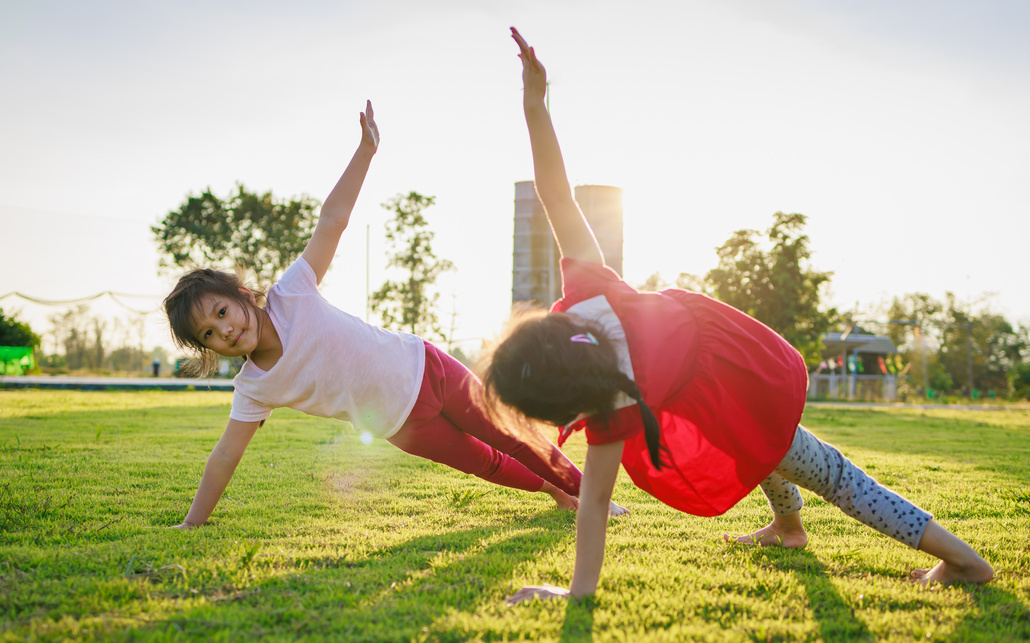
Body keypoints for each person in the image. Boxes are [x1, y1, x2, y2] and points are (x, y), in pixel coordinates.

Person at [484, 29, 993, 603]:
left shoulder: (608, 406)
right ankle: (790, 529)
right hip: (737, 368)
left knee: (832, 476)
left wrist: (575, 594)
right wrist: (534, 103)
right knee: (757, 445)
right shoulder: (587, 294)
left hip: (734, 392)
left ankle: (964, 561)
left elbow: (595, 505)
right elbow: (558, 196)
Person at [164, 101, 625, 529]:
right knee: (485, 462)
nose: (225, 329)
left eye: (222, 311)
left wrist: (365, 151)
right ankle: (558, 493)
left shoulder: (292, 294)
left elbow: (332, 221)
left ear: (243, 294)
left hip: (427, 369)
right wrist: (192, 522)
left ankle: (590, 495)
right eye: (210, 333)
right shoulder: (253, 387)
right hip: (401, 427)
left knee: (508, 433)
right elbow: (226, 454)